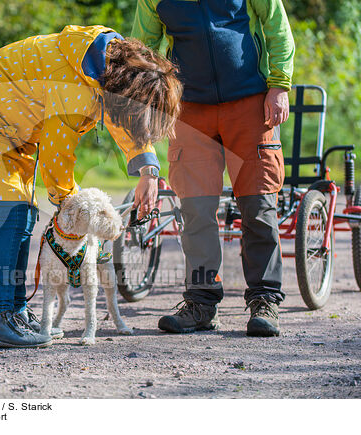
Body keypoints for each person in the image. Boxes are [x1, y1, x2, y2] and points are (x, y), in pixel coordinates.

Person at [0, 25, 183, 348]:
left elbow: (120, 116)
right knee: (9, 214)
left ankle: (15, 312)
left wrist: (147, 168)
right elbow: (56, 154)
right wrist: (70, 204)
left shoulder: (107, 63)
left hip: (2, 127)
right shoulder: (74, 86)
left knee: (23, 214)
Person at [132, 0, 295, 336]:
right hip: (189, 109)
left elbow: (277, 27)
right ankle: (201, 303)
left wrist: (279, 84)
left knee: (258, 206)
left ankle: (264, 301)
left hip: (251, 103)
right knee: (195, 211)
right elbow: (142, 50)